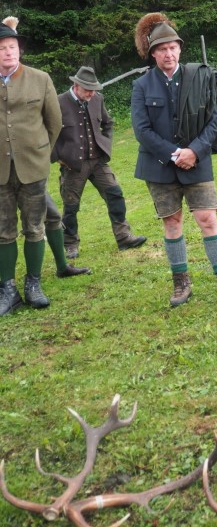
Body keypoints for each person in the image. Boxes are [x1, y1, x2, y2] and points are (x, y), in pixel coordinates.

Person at [131, 12, 217, 308]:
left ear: (180, 49)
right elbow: (142, 130)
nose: (168, 54)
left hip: (198, 160)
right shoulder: (142, 85)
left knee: (208, 219)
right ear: (153, 53)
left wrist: (194, 151)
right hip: (160, 167)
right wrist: (174, 154)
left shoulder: (201, 77)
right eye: (162, 49)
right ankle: (180, 282)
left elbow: (213, 121)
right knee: (172, 223)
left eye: (173, 47)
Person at [0, 16, 62, 316]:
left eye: (12, 46)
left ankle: (33, 284)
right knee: (3, 231)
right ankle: (8, 290)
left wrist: (40, 153)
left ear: (19, 49)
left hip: (33, 168)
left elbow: (54, 123)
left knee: (35, 227)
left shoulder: (40, 79)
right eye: (2, 48)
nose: (8, 52)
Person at [52, 66, 147, 259]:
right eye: (88, 89)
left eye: (94, 89)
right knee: (71, 206)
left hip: (98, 161)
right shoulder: (58, 102)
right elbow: (47, 132)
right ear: (76, 86)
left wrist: (105, 144)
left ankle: (124, 237)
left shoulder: (97, 99)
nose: (91, 93)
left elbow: (108, 123)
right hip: (72, 166)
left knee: (115, 195)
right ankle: (70, 245)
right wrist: (59, 157)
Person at [44, 192, 92, 277]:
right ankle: (29, 278)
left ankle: (62, 268)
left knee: (53, 217)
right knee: (31, 228)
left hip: (33, 185)